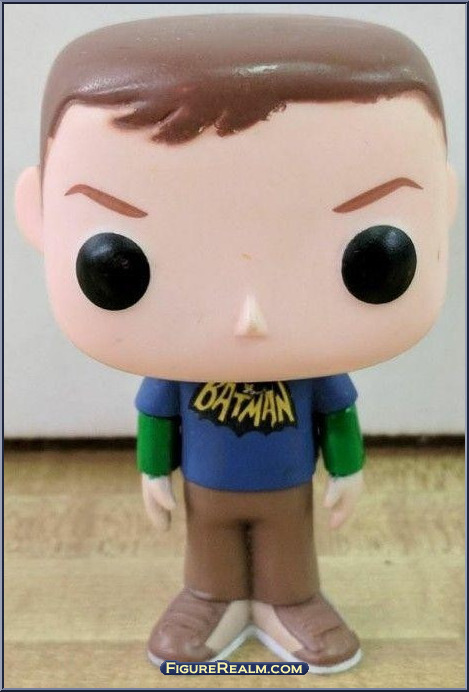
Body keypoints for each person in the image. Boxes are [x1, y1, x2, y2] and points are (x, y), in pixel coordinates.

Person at [15, 14, 457, 672]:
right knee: (211, 553)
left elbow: (337, 413)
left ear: (444, 204)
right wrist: (151, 471)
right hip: (206, 487)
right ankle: (209, 598)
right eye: (118, 263)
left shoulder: (312, 371)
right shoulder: (175, 370)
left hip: (286, 488)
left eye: (373, 256)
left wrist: (347, 469)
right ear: (39, 217)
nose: (249, 319)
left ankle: (292, 601)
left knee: (288, 549)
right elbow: (156, 415)